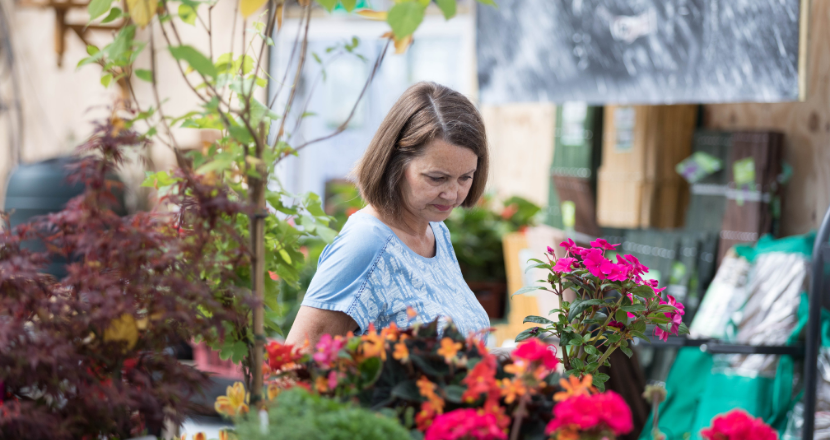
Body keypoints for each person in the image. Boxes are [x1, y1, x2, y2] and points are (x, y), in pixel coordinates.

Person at [285, 82, 492, 348]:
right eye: (437, 178)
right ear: (394, 164)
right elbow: (295, 364)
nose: (452, 194)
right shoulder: (366, 246)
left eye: (466, 177)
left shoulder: (434, 231)